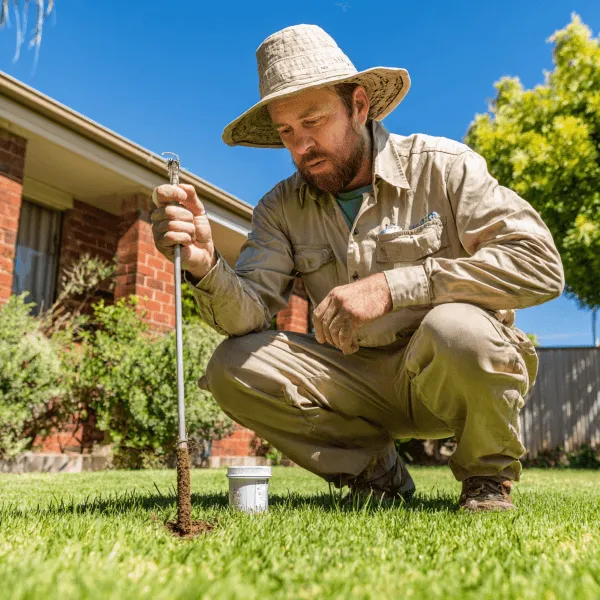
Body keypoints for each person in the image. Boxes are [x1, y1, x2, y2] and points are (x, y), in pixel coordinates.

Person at [151, 24, 564, 511]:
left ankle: (486, 479)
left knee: (457, 327)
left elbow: (539, 264)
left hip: (449, 371)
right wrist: (204, 264)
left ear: (360, 106)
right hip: (355, 384)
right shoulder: (280, 208)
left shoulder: (446, 167)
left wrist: (394, 286)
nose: (301, 146)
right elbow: (249, 315)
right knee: (232, 365)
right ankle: (377, 474)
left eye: (313, 121)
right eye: (287, 131)